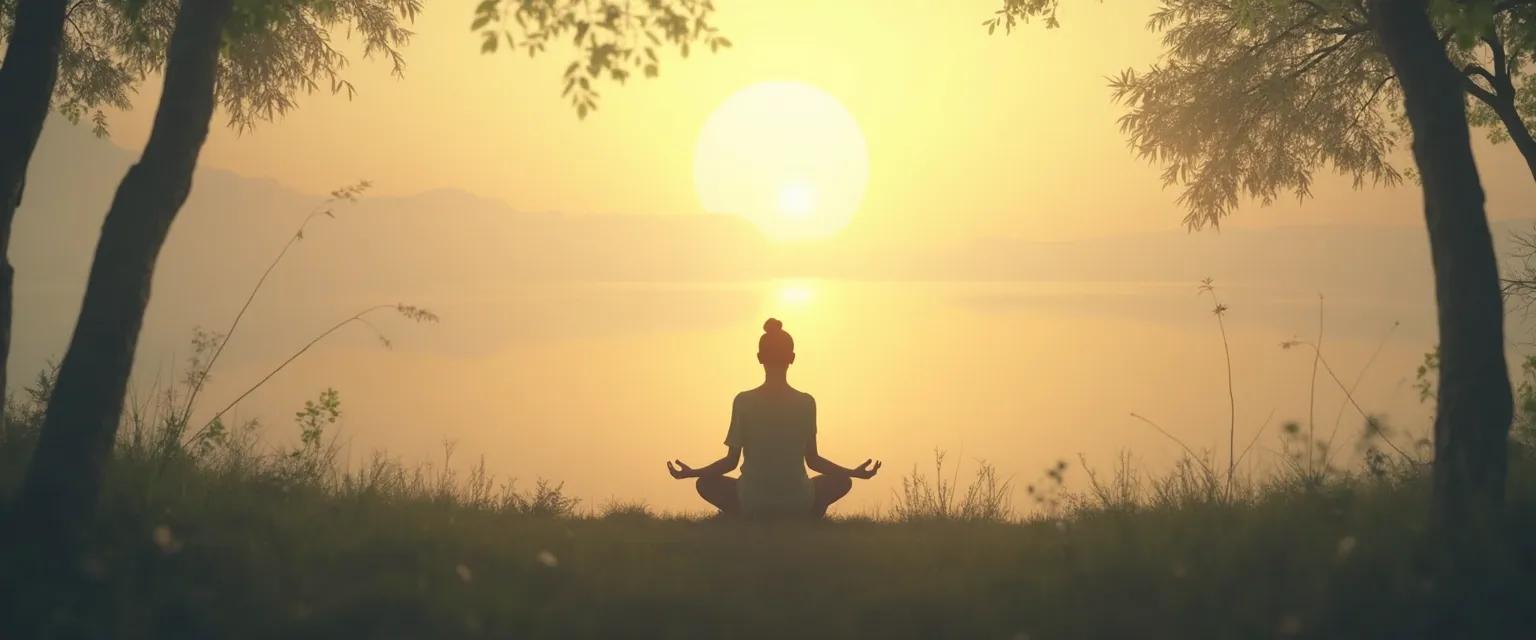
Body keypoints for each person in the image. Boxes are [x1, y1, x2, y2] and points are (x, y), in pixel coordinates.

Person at [667, 318, 880, 518]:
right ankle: (804, 516)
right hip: (798, 501)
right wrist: (852, 472)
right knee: (842, 481)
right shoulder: (806, 403)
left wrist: (692, 473)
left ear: (759, 357)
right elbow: (813, 460)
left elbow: (730, 462)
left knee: (705, 483)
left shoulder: (744, 401)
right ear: (792, 358)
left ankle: (748, 517)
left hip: (752, 501)